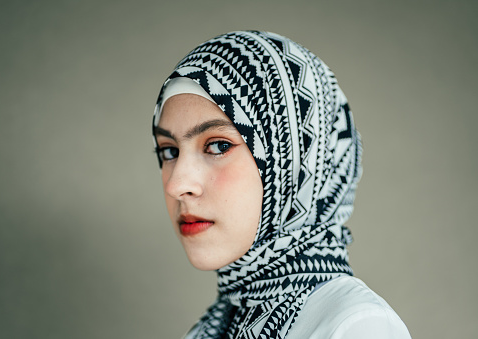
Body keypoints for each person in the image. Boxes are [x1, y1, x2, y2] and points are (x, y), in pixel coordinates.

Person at [152, 31, 411, 339]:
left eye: (218, 146)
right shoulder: (216, 326)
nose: (177, 184)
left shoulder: (356, 326)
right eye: (169, 151)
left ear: (296, 162)